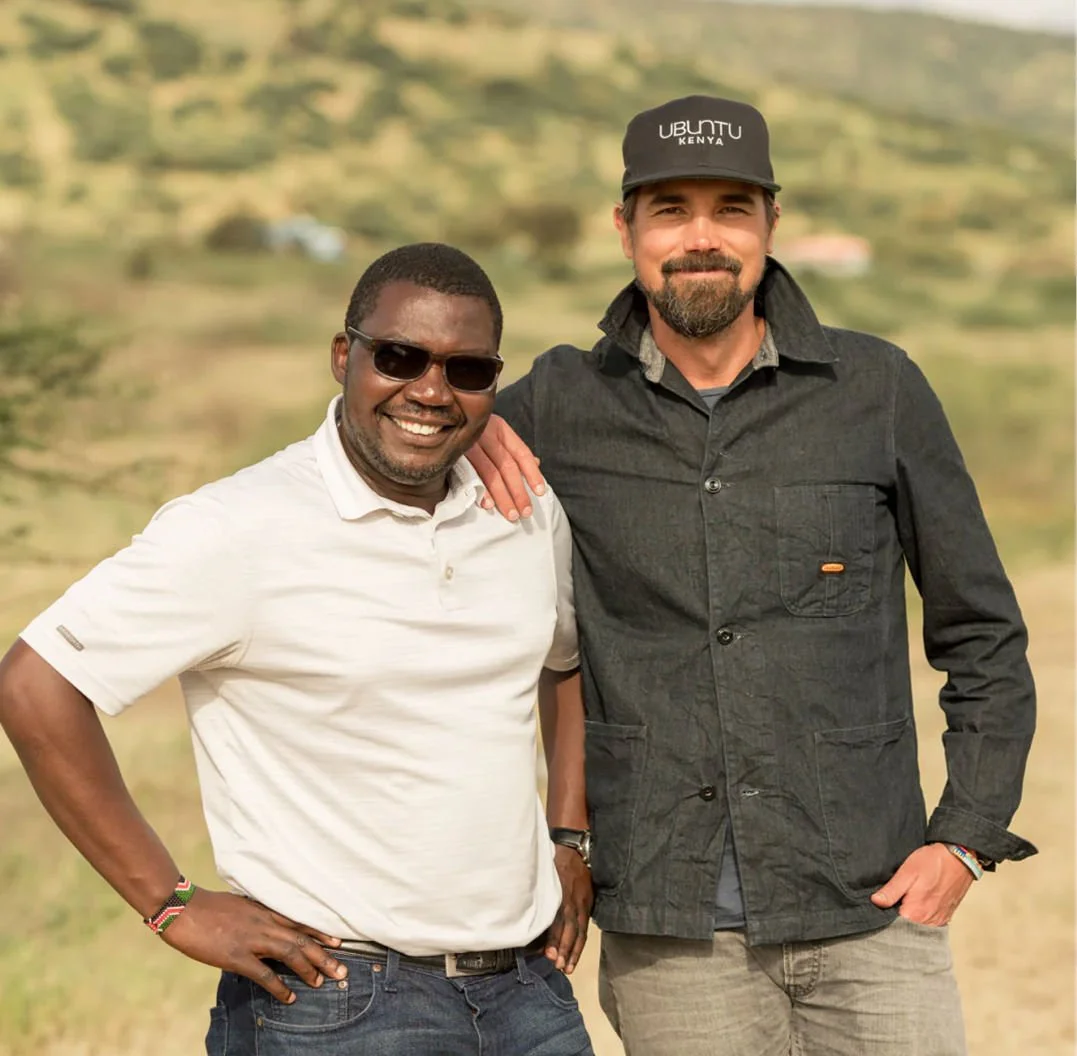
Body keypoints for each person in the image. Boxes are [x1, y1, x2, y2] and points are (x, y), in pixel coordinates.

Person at [467, 96, 1037, 1055]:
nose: (701, 237)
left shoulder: (877, 389)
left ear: (772, 223)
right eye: (670, 209)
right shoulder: (557, 403)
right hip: (668, 930)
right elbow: (409, 424)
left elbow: (981, 634)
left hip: (872, 909)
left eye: (731, 208)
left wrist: (966, 838)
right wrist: (472, 423)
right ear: (625, 229)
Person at [0, 243, 596, 1056]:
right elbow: (36, 685)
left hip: (528, 995)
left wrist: (569, 838)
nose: (430, 390)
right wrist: (168, 901)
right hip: (336, 1003)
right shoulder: (238, 528)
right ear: (343, 357)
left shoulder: (522, 510)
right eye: (399, 357)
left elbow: (562, 665)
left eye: (467, 370)